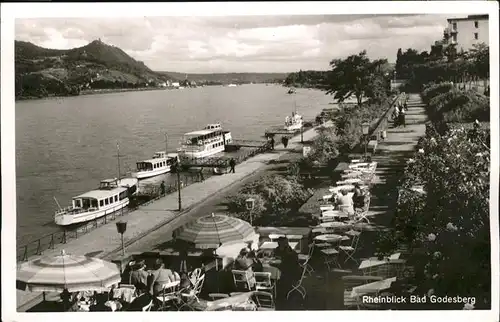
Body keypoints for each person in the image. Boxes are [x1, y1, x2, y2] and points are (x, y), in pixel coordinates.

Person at [274, 237, 301, 306]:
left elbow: (289, 265)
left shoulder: (290, 252)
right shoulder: (277, 249)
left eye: (283, 243)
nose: (279, 244)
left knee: (278, 277)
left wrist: (278, 263)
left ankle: (280, 295)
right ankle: (276, 291)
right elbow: (275, 256)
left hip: (291, 273)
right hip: (284, 270)